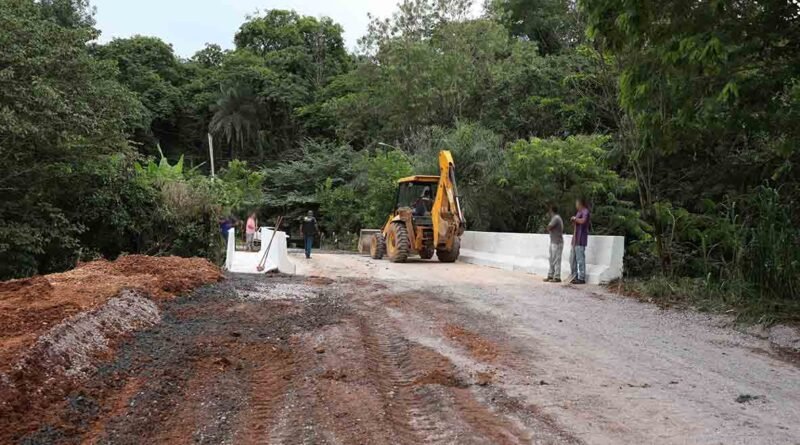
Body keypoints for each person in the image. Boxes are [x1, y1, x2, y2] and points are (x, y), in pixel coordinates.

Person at [569, 198, 591, 284]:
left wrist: (575, 219)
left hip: (581, 239)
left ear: (580, 203)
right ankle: (574, 276)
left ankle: (581, 277)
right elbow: (576, 224)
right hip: (575, 238)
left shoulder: (586, 211)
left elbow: (583, 221)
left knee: (580, 259)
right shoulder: (578, 213)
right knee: (572, 259)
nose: (576, 205)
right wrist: (573, 221)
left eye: (577, 203)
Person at [544, 205, 564, 283]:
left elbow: (549, 227)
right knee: (551, 259)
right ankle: (551, 275)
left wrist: (548, 228)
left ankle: (557, 276)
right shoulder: (556, 218)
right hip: (554, 241)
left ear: (551, 211)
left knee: (556, 259)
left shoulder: (556, 218)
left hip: (557, 242)